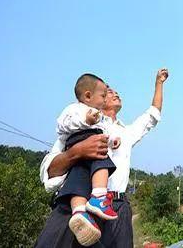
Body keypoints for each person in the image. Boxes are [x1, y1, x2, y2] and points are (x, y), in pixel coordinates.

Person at [35, 68, 169, 248]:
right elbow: (49, 173)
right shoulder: (77, 125)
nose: (114, 93)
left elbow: (152, 115)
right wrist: (77, 152)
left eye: (114, 92)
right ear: (93, 98)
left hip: (116, 208)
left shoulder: (125, 133)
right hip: (76, 204)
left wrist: (159, 83)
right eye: (108, 92)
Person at [54, 73, 121, 246]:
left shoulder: (102, 117)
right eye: (103, 96)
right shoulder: (75, 109)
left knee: (77, 181)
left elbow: (107, 129)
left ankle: (79, 213)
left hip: (80, 158)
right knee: (101, 161)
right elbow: (62, 125)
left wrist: (113, 140)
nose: (105, 99)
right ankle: (98, 195)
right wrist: (85, 119)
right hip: (82, 141)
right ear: (88, 96)